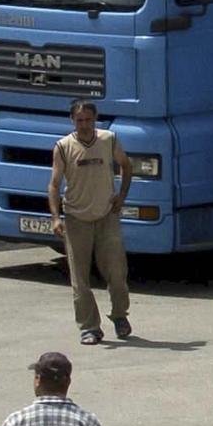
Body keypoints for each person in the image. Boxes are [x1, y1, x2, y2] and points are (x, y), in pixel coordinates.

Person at [47, 98, 134, 346]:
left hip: (106, 215)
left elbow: (127, 167)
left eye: (88, 119)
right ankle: (90, 327)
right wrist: (56, 218)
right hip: (76, 218)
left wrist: (121, 196)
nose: (84, 124)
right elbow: (54, 185)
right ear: (72, 120)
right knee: (80, 279)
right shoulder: (63, 146)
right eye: (79, 120)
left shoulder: (109, 140)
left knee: (117, 272)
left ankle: (120, 316)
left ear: (95, 119)